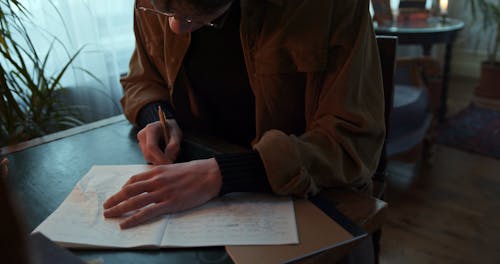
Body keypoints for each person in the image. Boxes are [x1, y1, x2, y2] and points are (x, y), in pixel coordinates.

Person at [103, 0, 385, 230]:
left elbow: (352, 143)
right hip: (196, 187)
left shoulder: (328, 8)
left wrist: (223, 174)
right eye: (163, 11)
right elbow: (143, 79)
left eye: (198, 17)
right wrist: (157, 116)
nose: (174, 27)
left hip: (312, 201)